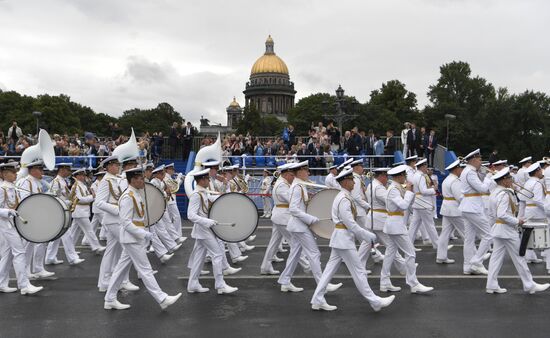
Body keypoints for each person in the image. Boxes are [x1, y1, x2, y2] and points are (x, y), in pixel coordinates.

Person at [310, 168, 395, 312]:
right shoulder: (344, 198)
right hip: (343, 239)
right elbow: (350, 223)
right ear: (345, 182)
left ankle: (317, 299)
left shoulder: (344, 196)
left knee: (329, 271)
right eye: (351, 179)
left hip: (341, 238)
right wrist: (365, 235)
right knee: (359, 271)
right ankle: (375, 301)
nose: (354, 182)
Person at [104, 167, 182, 310]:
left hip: (133, 238)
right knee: (145, 269)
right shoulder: (128, 197)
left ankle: (109, 299)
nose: (142, 180)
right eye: (140, 178)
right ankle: (162, 298)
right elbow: (125, 222)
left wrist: (145, 231)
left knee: (120, 269)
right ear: (132, 180)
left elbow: (139, 217)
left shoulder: (136, 194)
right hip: (131, 238)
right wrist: (143, 234)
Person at [277, 161, 342, 293]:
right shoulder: (297, 187)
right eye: (306, 170)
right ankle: (323, 284)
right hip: (299, 226)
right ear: (299, 172)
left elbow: (299, 205)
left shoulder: (299, 185)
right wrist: (310, 218)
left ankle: (285, 281)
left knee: (295, 254)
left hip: (296, 226)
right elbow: (293, 209)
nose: (308, 172)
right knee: (314, 253)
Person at [486, 167, 550, 294]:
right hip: (507, 230)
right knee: (520, 257)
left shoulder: (494, 192)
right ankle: (529, 285)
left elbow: (493, 215)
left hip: (498, 229)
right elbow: (502, 214)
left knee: (496, 258)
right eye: (509, 178)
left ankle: (491, 284)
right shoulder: (504, 194)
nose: (511, 180)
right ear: (504, 180)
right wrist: (517, 221)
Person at [381, 164, 434, 293]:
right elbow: (404, 205)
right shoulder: (393, 189)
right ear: (399, 176)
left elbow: (406, 204)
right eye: (404, 175)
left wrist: (411, 193)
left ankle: (384, 282)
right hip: (396, 225)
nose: (405, 177)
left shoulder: (396, 187)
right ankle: (413, 283)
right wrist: (410, 191)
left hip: (394, 224)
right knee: (410, 253)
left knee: (390, 254)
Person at [186, 168, 238, 295]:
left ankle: (192, 284)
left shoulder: (203, 192)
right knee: (217, 254)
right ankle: (220, 285)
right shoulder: (196, 195)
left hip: (203, 231)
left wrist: (224, 195)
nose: (209, 180)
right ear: (202, 180)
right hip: (204, 230)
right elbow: (190, 215)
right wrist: (206, 221)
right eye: (207, 178)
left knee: (199, 258)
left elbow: (211, 198)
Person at [96, 155, 140, 293]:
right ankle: (123, 281)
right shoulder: (106, 181)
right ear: (108, 167)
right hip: (113, 219)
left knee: (111, 251)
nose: (117, 166)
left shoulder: (117, 179)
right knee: (127, 249)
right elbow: (99, 202)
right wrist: (118, 210)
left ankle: (104, 282)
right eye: (114, 165)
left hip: (116, 220)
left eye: (118, 164)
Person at [0, 162, 43, 295]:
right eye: (12, 172)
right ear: (3, 174)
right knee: (19, 252)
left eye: (15, 172)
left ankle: (1, 283)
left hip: (12, 223)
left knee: (7, 255)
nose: (15, 174)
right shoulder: (2, 189)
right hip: (6, 224)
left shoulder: (13, 187)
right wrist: (7, 212)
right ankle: (24, 285)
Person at [359, 168, 407, 284]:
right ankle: (403, 266)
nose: (387, 179)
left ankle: (358, 267)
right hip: (379, 220)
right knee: (390, 245)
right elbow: (388, 200)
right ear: (380, 176)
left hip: (373, 218)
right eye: (386, 176)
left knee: (366, 244)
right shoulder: (379, 187)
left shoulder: (372, 184)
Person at [17, 160, 56, 280]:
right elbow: (25, 201)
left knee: (39, 243)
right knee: (28, 246)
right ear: (32, 170)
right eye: (40, 169)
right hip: (29, 218)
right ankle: (26, 270)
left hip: (36, 216)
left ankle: (38, 268)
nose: (42, 172)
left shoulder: (36, 182)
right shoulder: (26, 182)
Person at [459, 149, 493, 275]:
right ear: (473, 160)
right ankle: (477, 261)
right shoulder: (470, 172)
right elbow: (483, 189)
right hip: (472, 207)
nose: (480, 162)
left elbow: (477, 186)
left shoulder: (469, 171)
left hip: (469, 206)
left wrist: (484, 174)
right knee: (488, 235)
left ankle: (467, 266)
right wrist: (489, 177)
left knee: (469, 238)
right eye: (479, 159)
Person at [45, 163, 83, 265]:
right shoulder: (56, 182)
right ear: (61, 170)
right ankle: (72, 258)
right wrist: (64, 202)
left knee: (57, 235)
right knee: (67, 234)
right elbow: (52, 196)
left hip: (62, 209)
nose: (69, 172)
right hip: (58, 210)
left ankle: (50, 257)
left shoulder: (63, 181)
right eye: (67, 170)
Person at [69, 168, 106, 255]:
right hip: (79, 211)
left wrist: (90, 196)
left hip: (82, 211)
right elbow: (80, 199)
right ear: (76, 176)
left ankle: (70, 250)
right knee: (89, 230)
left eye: (83, 175)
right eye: (80, 175)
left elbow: (85, 196)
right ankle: (96, 246)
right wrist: (92, 197)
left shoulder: (83, 185)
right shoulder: (76, 186)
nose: (83, 177)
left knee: (74, 233)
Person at [437, 160, 465, 264]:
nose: (461, 170)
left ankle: (441, 256)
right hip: (454, 209)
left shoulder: (447, 179)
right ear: (456, 169)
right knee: (467, 234)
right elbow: (459, 197)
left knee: (445, 234)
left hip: (447, 208)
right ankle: (475, 257)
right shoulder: (455, 181)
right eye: (460, 168)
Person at [408, 159, 440, 250]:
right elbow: (423, 191)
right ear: (422, 166)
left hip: (418, 203)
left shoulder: (415, 175)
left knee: (414, 226)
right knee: (430, 225)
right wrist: (434, 189)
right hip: (423, 203)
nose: (427, 168)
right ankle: (438, 246)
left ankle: (409, 246)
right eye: (426, 166)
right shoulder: (421, 176)